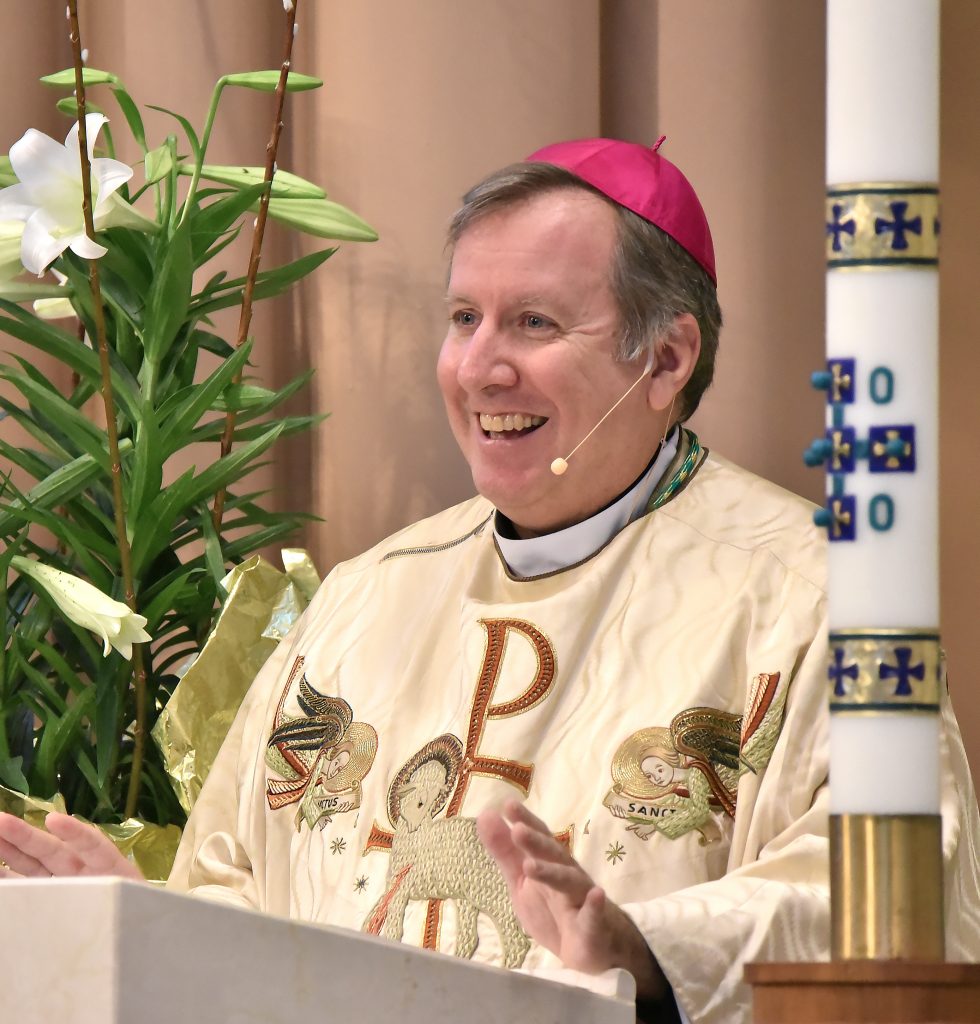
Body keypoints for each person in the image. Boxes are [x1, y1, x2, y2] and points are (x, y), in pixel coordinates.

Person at [2, 137, 979, 1024]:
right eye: (463, 317)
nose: (478, 367)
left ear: (666, 357)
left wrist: (646, 951)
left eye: (533, 323)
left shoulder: (819, 598)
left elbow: (897, 901)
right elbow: (244, 902)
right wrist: (131, 913)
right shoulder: (365, 597)